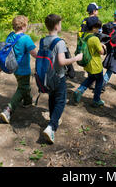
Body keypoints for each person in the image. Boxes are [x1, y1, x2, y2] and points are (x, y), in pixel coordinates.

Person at [41, 14, 83, 144]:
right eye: (60, 23)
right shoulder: (59, 42)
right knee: (61, 101)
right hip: (58, 77)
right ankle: (51, 127)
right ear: (56, 26)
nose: (61, 25)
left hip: (46, 77)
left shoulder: (43, 40)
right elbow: (61, 61)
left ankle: (53, 119)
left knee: (52, 98)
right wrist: (76, 59)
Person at [0, 15, 37, 124]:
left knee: (24, 86)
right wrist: (45, 58)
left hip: (13, 69)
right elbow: (34, 54)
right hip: (23, 70)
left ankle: (28, 102)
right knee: (22, 88)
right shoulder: (26, 38)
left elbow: (6, 52)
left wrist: (0, 66)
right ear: (23, 26)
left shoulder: (10, 37)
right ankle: (8, 110)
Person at [73, 16, 106, 107]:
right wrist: (103, 46)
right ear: (94, 28)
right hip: (95, 65)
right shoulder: (95, 39)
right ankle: (96, 100)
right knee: (99, 81)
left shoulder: (84, 35)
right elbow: (101, 52)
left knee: (90, 78)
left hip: (87, 64)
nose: (99, 29)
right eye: (98, 27)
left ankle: (79, 90)